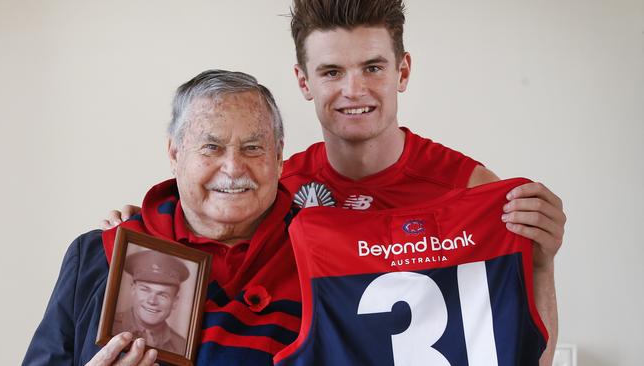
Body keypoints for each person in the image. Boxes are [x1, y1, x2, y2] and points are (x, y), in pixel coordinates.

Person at [105, 1, 566, 364]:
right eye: (331, 72)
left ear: (401, 71)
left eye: (372, 67)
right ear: (304, 81)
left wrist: (541, 266)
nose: (353, 90)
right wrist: (143, 229)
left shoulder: (471, 190)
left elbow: (524, 354)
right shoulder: (276, 184)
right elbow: (210, 235)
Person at [23, 70, 301, 366]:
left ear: (279, 155)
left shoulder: (319, 257)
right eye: (211, 147)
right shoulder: (96, 257)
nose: (233, 168)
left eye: (253, 147)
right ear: (174, 153)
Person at [112, 250, 190, 355]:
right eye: (145, 290)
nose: (152, 301)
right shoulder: (110, 327)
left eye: (162, 295)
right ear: (133, 290)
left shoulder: (183, 347)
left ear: (175, 302)